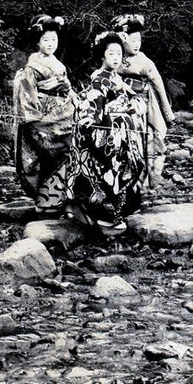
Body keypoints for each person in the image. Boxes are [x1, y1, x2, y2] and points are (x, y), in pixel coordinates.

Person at [65, 31, 148, 235]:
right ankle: (107, 217)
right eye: (111, 53)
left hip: (122, 134)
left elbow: (134, 99)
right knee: (111, 171)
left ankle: (115, 213)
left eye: (119, 54)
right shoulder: (100, 79)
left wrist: (133, 106)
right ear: (102, 55)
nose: (116, 58)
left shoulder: (116, 78)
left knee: (129, 167)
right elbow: (93, 104)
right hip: (108, 136)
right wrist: (89, 120)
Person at [12, 15, 77, 215]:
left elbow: (68, 90)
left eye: (54, 39)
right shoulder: (32, 66)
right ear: (38, 42)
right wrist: (34, 120)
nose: (51, 44)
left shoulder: (58, 65)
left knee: (69, 151)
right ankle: (44, 202)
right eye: (46, 40)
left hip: (63, 114)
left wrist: (69, 92)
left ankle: (61, 199)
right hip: (42, 117)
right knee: (45, 156)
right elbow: (26, 92)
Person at [111, 13, 174, 189]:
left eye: (138, 40)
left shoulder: (144, 61)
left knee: (148, 140)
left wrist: (167, 111)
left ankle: (146, 179)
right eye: (132, 40)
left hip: (143, 105)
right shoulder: (115, 57)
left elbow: (158, 85)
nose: (136, 44)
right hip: (118, 102)